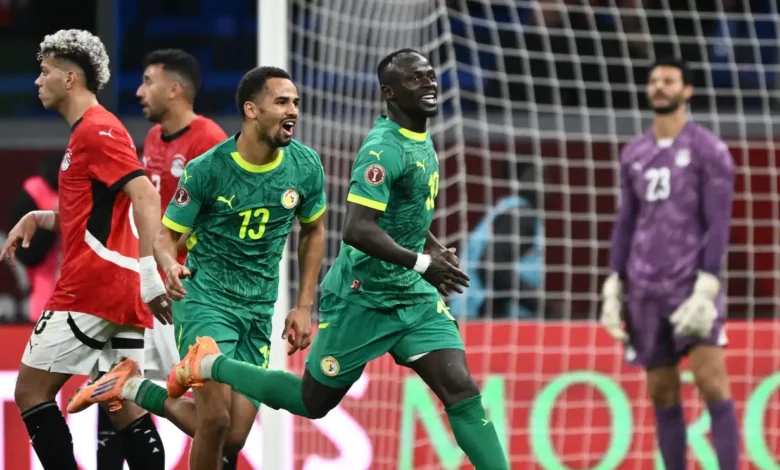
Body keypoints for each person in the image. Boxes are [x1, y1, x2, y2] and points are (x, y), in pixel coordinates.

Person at [174, 49, 507, 469]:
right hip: (362, 296)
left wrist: (432, 245)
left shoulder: (418, 138)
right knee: (310, 402)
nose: (429, 83)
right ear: (389, 92)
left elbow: (402, 210)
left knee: (461, 389)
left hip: (412, 295)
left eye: (430, 75)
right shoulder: (382, 150)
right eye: (415, 78)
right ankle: (209, 365)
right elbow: (356, 228)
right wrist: (423, 263)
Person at [68, 66, 327, 470]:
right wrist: (168, 265)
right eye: (281, 101)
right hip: (206, 300)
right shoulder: (208, 169)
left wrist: (305, 304)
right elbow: (166, 236)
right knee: (214, 420)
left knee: (234, 437)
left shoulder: (306, 166)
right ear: (252, 110)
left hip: (258, 309)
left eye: (295, 102)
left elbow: (314, 231)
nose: (293, 109)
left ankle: (131, 386)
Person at [0, 29, 172, 470]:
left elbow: (146, 196)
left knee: (30, 392)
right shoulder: (91, 132)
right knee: (121, 403)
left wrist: (151, 275)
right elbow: (98, 215)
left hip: (93, 288)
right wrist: (41, 218)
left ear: (70, 78)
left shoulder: (97, 130)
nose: (37, 80)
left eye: (45, 71)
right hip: (117, 288)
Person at [600, 57, 738, 470]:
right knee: (661, 391)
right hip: (643, 290)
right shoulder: (635, 154)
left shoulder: (709, 150)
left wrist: (708, 284)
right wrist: (614, 283)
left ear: (687, 90)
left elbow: (719, 222)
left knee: (712, 382)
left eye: (669, 80)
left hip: (690, 285)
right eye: (655, 80)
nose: (660, 86)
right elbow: (626, 222)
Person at [96, 48, 230, 470]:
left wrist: (167, 255)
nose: (139, 91)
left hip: (188, 291)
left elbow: (218, 219)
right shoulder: (154, 138)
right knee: (112, 392)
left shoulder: (209, 140)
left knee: (215, 418)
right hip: (149, 287)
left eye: (147, 81)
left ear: (174, 89)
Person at [9, 154, 62, 323]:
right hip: (46, 298)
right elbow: (27, 254)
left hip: (88, 299)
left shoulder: (92, 190)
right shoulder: (34, 193)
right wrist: (52, 223)